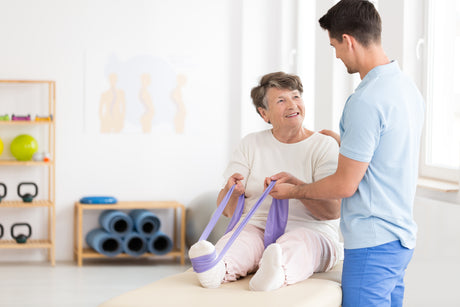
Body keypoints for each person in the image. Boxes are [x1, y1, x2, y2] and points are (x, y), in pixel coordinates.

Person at [267, 1, 425, 306]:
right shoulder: (407, 89)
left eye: (334, 45)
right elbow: (390, 152)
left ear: (348, 41)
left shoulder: (365, 101)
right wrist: (347, 143)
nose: (337, 55)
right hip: (401, 241)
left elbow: (344, 185)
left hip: (373, 244)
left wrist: (294, 191)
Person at [189, 72, 343, 291]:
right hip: (257, 227)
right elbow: (227, 211)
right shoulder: (251, 144)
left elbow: (332, 211)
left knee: (299, 244)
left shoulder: (323, 145)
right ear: (264, 113)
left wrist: (296, 189)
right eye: (281, 100)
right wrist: (232, 190)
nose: (292, 105)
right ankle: (217, 270)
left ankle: (276, 271)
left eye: (296, 96)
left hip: (312, 230)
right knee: (241, 239)